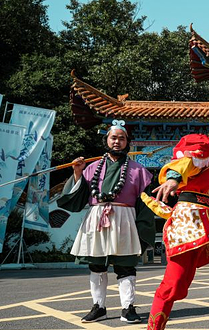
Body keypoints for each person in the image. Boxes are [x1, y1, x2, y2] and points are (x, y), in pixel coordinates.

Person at [144, 92, 209, 330]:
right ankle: (154, 328)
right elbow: (187, 163)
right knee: (175, 284)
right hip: (190, 220)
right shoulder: (205, 148)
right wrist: (173, 178)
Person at [57, 120, 154, 324]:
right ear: (106, 140)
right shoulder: (91, 168)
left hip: (125, 219)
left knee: (125, 265)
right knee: (96, 265)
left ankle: (127, 308)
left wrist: (143, 230)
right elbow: (77, 197)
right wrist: (77, 173)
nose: (117, 142)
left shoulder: (138, 170)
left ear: (127, 142)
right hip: (96, 218)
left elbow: (146, 203)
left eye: (121, 138)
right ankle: (98, 307)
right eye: (113, 138)